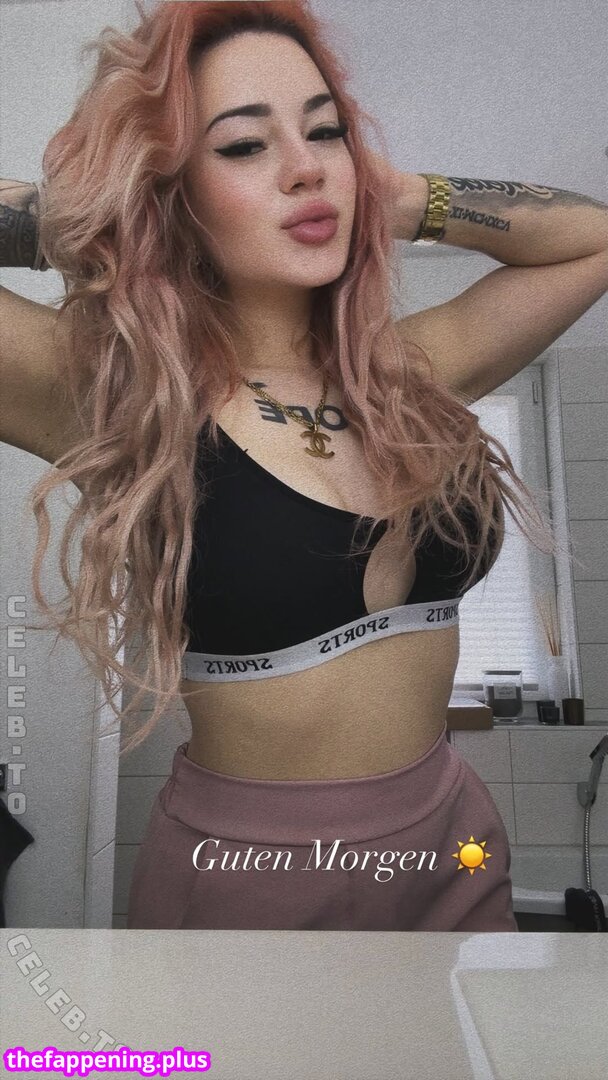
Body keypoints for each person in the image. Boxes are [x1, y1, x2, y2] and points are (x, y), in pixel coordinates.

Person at [6, 0, 604, 931]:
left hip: (454, 846)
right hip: (249, 872)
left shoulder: (409, 369)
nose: (306, 166)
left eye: (325, 133)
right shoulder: (120, 395)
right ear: (173, 189)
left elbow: (593, 237)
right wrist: (96, 218)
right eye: (244, 145)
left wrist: (398, 196)